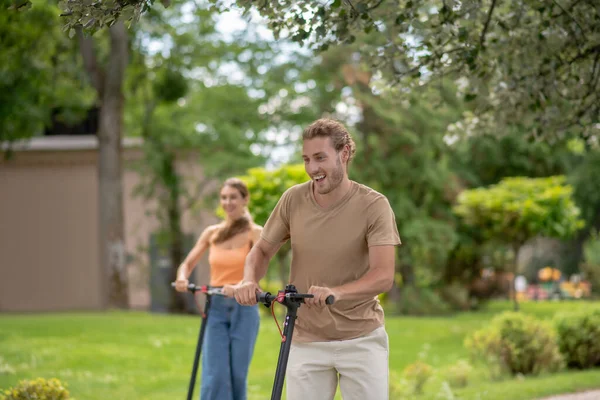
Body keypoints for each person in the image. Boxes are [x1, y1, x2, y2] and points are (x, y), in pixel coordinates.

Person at [233, 118, 401, 400]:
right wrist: (249, 280)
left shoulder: (374, 205)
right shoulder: (293, 199)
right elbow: (261, 251)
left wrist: (338, 292)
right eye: (307, 159)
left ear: (344, 153)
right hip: (306, 339)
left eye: (320, 158)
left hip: (360, 338)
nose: (312, 169)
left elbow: (383, 275)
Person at [175, 177, 262, 400]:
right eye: (224, 197)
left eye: (233, 197)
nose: (228, 202)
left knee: (236, 375)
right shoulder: (212, 232)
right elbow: (187, 263)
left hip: (245, 307)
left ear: (245, 200)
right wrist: (182, 277)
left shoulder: (255, 232)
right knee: (215, 374)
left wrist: (242, 285)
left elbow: (260, 269)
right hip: (215, 308)